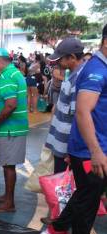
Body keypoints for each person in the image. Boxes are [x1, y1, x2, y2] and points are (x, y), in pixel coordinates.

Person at [41, 25, 107, 234]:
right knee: (89, 198)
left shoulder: (93, 69)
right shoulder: (94, 71)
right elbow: (81, 112)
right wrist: (95, 151)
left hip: (89, 146)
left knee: (85, 193)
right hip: (92, 148)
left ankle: (58, 229)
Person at [0, 48, 29, 213]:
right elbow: (8, 103)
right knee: (7, 164)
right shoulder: (13, 73)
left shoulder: (6, 76)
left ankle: (9, 203)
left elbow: (11, 105)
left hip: (11, 128)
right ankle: (7, 196)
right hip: (13, 127)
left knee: (9, 165)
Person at [44, 38, 86, 174]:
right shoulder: (73, 75)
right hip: (61, 144)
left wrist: (70, 150)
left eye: (61, 59)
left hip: (66, 148)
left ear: (72, 57)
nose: (58, 62)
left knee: (62, 186)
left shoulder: (78, 79)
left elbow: (78, 117)